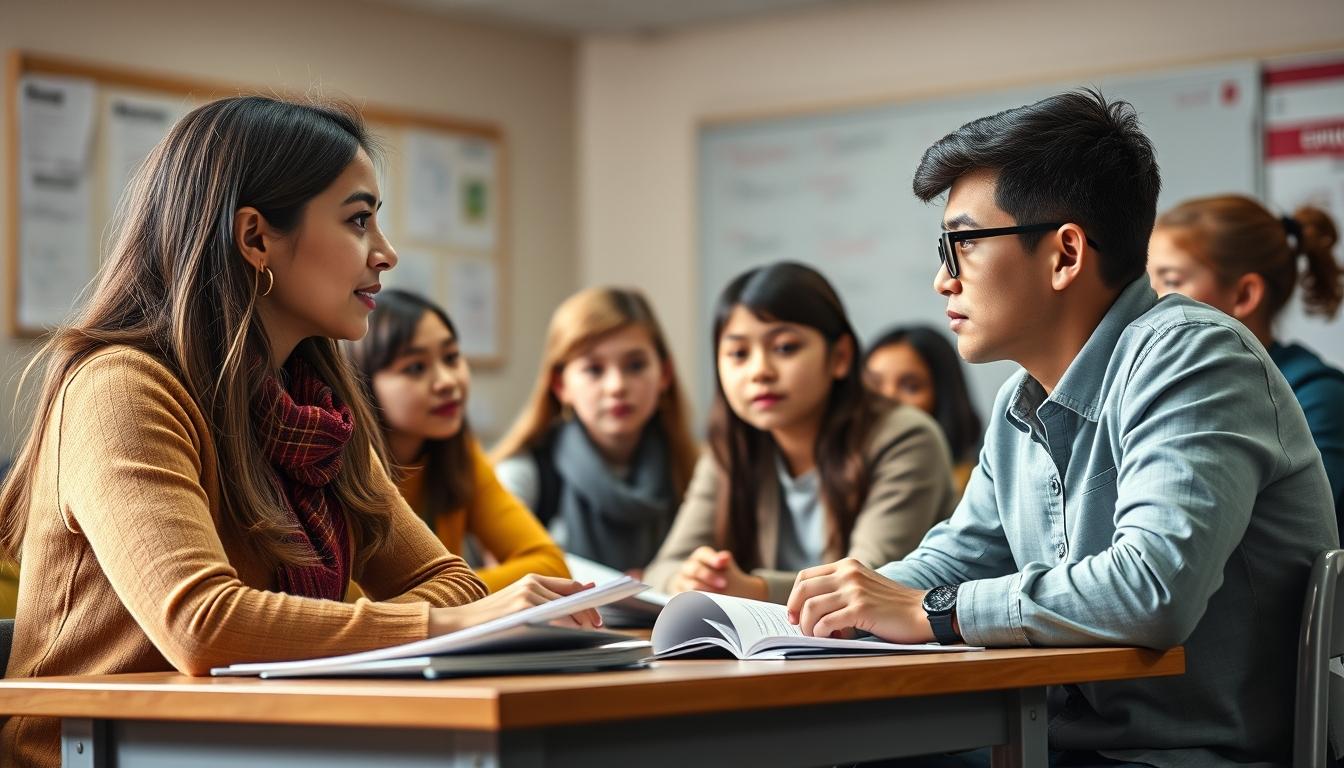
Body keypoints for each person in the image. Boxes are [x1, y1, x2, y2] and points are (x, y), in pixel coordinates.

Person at [0, 96, 596, 768]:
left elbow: (448, 581)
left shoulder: (314, 408)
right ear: (255, 238)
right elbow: (206, 627)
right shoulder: (120, 389)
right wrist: (448, 625)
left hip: (262, 745)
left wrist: (443, 614)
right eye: (359, 221)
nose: (386, 254)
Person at [786, 90, 1336, 767]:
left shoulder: (1193, 354)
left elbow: (1152, 590)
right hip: (1067, 744)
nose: (941, 280)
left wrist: (931, 611)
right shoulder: (1024, 400)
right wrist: (812, 618)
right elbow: (950, 564)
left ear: (1065, 253)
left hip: (1188, 756)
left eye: (959, 245)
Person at [644, 262, 957, 604]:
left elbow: (873, 579)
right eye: (738, 353)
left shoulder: (906, 438)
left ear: (840, 356)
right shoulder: (729, 447)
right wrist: (688, 577)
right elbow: (662, 568)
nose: (759, 371)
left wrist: (755, 590)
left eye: (785, 348)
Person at [344, 289, 568, 592]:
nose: (448, 381)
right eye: (415, 367)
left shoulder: (459, 455)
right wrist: (458, 595)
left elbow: (550, 564)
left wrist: (448, 593)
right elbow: (355, 607)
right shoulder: (340, 472)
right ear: (363, 382)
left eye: (451, 358)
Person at [1149, 195, 1344, 526]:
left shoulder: (1318, 396)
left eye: (1170, 280)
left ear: (1244, 295)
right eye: (1147, 279)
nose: (1151, 297)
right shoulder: (1163, 387)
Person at [492, 287, 698, 575]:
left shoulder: (695, 472)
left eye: (635, 365)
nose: (617, 386)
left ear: (664, 374)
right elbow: (504, 575)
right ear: (560, 385)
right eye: (594, 369)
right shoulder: (525, 471)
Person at [864, 326, 982, 496]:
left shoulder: (976, 489)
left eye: (911, 387)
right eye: (873, 385)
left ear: (944, 397)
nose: (887, 398)